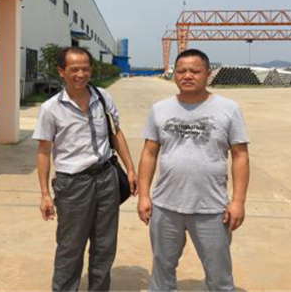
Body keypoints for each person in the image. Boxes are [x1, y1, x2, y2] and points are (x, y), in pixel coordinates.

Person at [137, 48, 250, 292]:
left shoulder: (228, 109)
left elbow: (240, 155)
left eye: (195, 71)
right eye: (181, 71)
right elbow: (149, 153)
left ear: (208, 74)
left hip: (211, 208)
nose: (187, 76)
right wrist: (144, 196)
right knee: (162, 272)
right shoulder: (159, 109)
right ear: (174, 75)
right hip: (166, 206)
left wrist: (238, 201)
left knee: (219, 276)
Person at [34, 47, 138, 291]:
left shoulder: (103, 97)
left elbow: (116, 133)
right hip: (73, 185)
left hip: (107, 178)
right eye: (74, 69)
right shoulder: (51, 109)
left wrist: (130, 169)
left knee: (105, 245)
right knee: (70, 246)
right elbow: (43, 152)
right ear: (61, 71)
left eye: (85, 69)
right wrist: (45, 194)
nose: (81, 74)